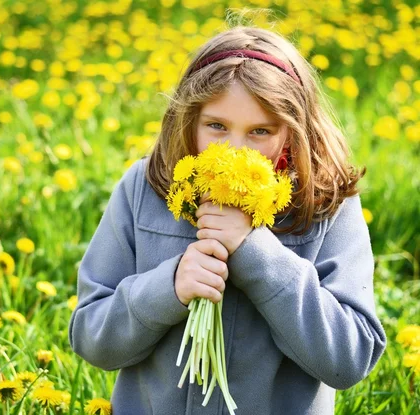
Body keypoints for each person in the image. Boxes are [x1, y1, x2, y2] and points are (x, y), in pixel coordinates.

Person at [68, 25, 387, 415]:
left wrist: (256, 253)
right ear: (188, 119)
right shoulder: (145, 187)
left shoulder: (326, 203)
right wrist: (168, 289)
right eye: (216, 126)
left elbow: (349, 360)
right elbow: (90, 337)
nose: (235, 149)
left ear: (292, 132)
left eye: (259, 131)